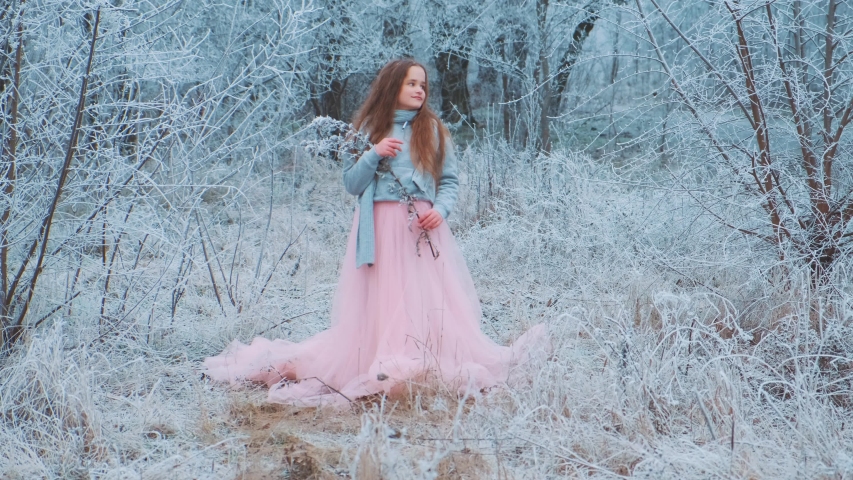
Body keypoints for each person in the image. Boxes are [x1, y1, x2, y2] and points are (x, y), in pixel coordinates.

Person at [204, 59, 549, 407]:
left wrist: (440, 212)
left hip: (421, 231)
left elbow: (449, 182)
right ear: (392, 87)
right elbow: (352, 184)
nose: (419, 90)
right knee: (384, 297)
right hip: (379, 230)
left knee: (425, 297)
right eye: (411, 83)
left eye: (423, 85)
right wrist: (374, 153)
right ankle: (379, 359)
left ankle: (420, 357)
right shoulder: (368, 129)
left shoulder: (433, 130)